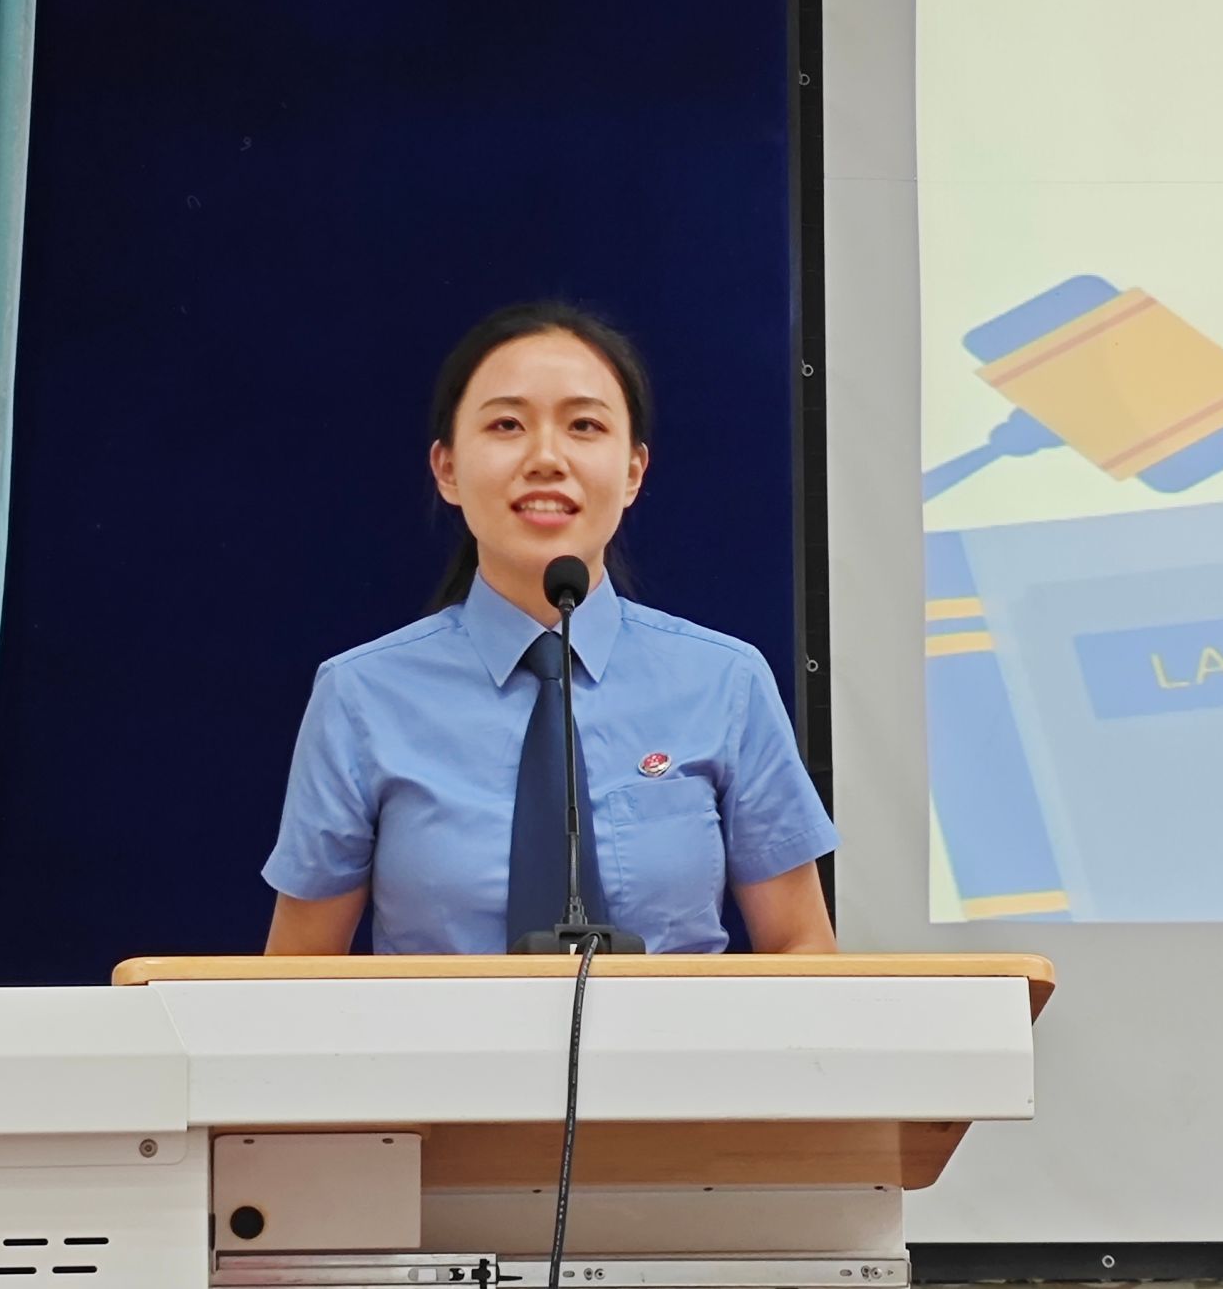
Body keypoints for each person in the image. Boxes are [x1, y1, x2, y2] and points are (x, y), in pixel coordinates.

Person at [262, 301, 838, 955]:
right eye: (507, 424)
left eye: (584, 425)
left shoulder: (725, 683)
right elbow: (295, 976)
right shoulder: (360, 696)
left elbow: (802, 949)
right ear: (447, 469)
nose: (545, 458)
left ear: (633, 472)